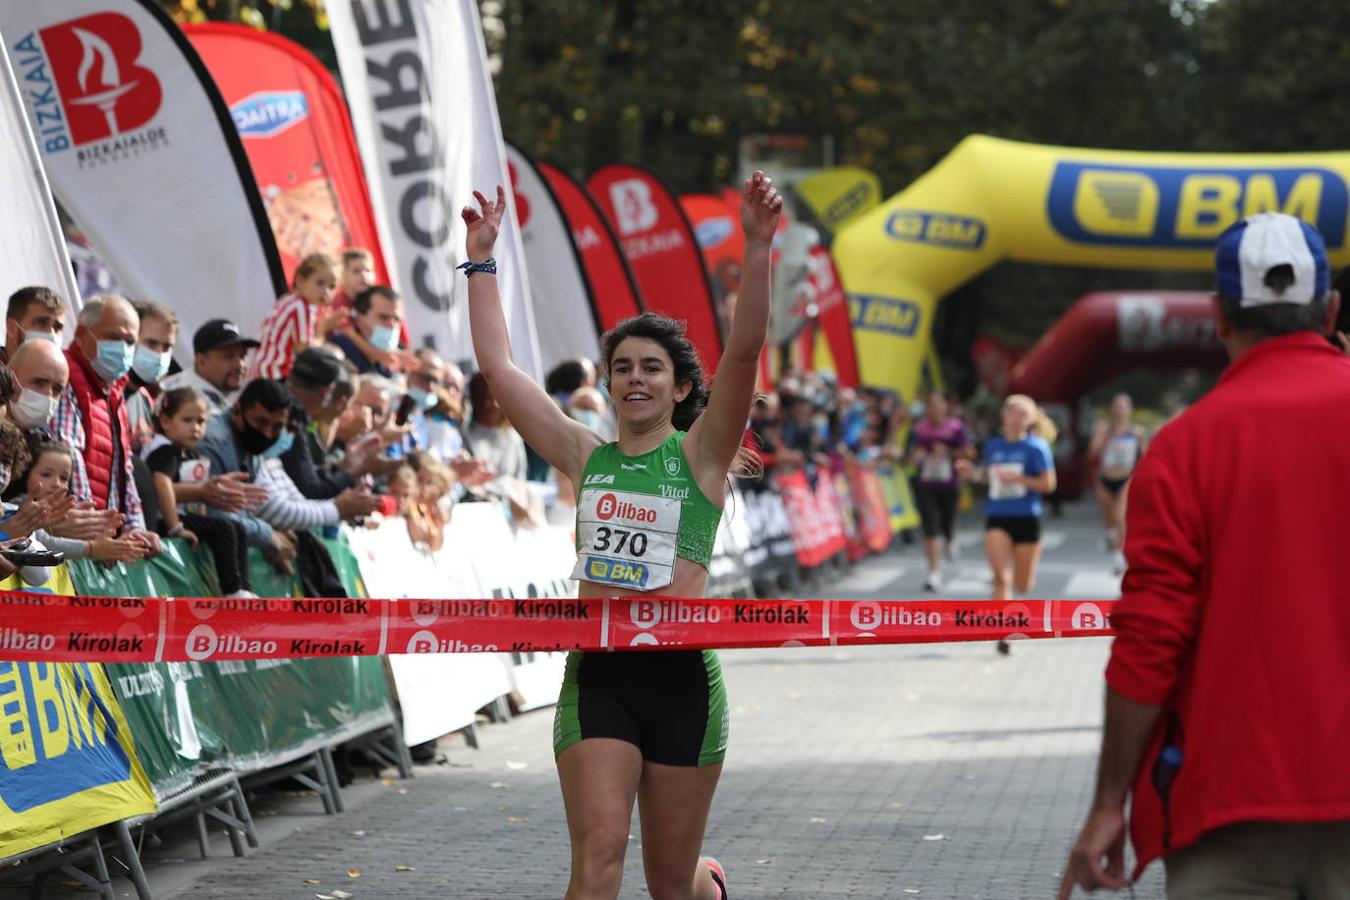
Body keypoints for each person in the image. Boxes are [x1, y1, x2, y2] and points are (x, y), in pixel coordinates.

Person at [463, 172, 780, 900]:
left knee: (671, 883)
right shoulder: (584, 455)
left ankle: (708, 886)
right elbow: (500, 369)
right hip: (600, 676)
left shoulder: (700, 457)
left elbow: (743, 352)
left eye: (652, 368)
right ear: (608, 384)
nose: (635, 379)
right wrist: (481, 260)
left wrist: (758, 249)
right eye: (622, 368)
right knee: (599, 858)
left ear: (678, 389)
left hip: (683, 683)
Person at [1060, 212, 1350, 898]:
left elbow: (1150, 641)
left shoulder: (1184, 449)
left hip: (1226, 808)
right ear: (1330, 307)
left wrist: (1110, 804)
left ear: (1219, 316)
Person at [198, 378, 380, 570]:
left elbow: (260, 503)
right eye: (261, 422)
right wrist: (266, 534)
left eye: (277, 427)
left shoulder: (251, 446)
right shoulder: (215, 442)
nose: (268, 434)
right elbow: (219, 516)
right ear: (237, 411)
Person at [51, 295, 162, 557]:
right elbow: (69, 455)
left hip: (101, 540)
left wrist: (134, 528)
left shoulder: (114, 391)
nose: (123, 348)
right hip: (76, 540)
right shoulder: (64, 375)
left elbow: (123, 469)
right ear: (80, 334)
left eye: (130, 342)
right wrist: (96, 530)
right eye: (113, 337)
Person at [956, 393, 1056, 655]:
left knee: (1023, 585)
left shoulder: (1036, 448)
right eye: (1012, 412)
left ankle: (1011, 609)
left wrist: (1020, 479)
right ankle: (1004, 631)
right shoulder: (993, 446)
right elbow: (989, 477)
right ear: (1003, 416)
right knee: (1001, 578)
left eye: (1022, 413)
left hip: (1027, 518)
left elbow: (1048, 484)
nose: (1016, 418)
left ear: (1031, 419)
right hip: (998, 515)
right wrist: (971, 473)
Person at [143, 387, 255, 597]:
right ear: (166, 421)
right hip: (161, 522)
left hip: (182, 518)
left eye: (201, 421)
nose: (195, 428)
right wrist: (175, 527)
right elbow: (161, 485)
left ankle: (244, 589)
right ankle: (232, 591)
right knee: (224, 529)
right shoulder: (165, 451)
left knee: (236, 527)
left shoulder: (188, 452)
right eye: (188, 420)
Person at [908, 391, 971, 591]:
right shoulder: (919, 429)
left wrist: (949, 452)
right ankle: (934, 573)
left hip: (949, 484)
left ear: (945, 406)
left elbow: (970, 452)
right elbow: (909, 456)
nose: (934, 409)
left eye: (938, 404)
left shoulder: (955, 428)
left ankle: (950, 538)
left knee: (947, 523)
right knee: (931, 528)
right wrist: (915, 457)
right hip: (926, 485)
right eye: (930, 405)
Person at [249, 253, 344, 381]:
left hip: (260, 370)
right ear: (300, 280)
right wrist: (323, 330)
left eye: (332, 287)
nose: (326, 291)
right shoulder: (300, 308)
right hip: (275, 374)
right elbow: (305, 351)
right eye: (320, 283)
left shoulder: (290, 300)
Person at [1088, 392, 1147, 575]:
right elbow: (1092, 453)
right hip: (1106, 479)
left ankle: (1118, 558)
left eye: (1124, 406)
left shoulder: (1137, 432)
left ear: (1129, 410)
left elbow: (1145, 457)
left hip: (1125, 479)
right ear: (1112, 410)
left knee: (1120, 518)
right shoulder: (1104, 430)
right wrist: (1105, 438)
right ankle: (1110, 539)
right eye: (1117, 406)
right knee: (1109, 521)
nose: (1120, 410)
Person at [160, 318, 261, 414]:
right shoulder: (191, 403)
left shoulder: (186, 386)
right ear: (201, 361)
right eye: (228, 356)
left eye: (243, 355)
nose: (240, 365)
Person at [124, 301, 179, 453]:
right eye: (151, 343)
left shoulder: (146, 401)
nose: (159, 354)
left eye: (167, 347)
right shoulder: (104, 393)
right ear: (129, 339)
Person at [328, 286, 404, 376]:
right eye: (383, 317)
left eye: (397, 319)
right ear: (359, 318)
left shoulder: (394, 364)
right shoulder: (338, 347)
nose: (392, 325)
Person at [4, 286, 67, 363]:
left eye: (57, 327)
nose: (51, 333)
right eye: (41, 323)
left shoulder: (61, 373)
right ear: (12, 328)